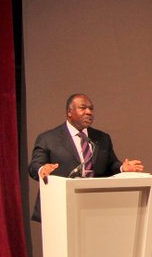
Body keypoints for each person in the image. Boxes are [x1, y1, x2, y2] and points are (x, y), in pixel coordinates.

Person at [27, 93, 144, 221]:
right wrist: (42, 169)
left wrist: (122, 168)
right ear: (69, 112)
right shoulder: (48, 138)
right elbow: (34, 166)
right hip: (59, 207)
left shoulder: (102, 138)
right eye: (83, 108)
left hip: (94, 209)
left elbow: (111, 165)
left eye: (91, 108)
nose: (89, 112)